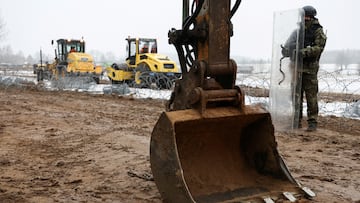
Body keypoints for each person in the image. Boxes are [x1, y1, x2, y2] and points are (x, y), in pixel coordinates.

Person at [284, 5, 327, 131]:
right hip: (296, 68)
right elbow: (286, 48)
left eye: (304, 16)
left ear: (309, 16)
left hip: (309, 69)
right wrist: (289, 50)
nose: (303, 18)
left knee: (311, 97)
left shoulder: (317, 31)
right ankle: (296, 121)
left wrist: (302, 52)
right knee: (295, 96)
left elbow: (319, 48)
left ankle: (312, 122)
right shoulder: (297, 32)